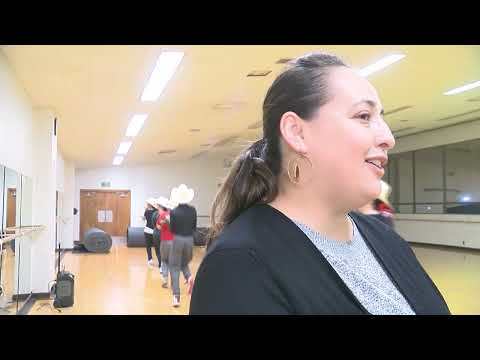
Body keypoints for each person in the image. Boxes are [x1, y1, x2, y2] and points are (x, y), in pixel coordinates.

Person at [189, 52, 450, 315]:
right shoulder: (239, 266)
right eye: (363, 116)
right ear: (297, 132)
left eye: (381, 117)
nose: (388, 137)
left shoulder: (386, 239)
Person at [168, 184, 197, 308]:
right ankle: (189, 277)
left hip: (178, 239)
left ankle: (176, 297)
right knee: (184, 263)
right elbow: (194, 227)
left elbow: (172, 229)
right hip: (190, 240)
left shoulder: (174, 212)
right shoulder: (193, 210)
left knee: (174, 267)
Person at [155, 196, 175, 289]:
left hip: (165, 241)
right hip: (174, 241)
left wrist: (163, 224)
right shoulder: (174, 214)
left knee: (164, 261)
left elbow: (158, 227)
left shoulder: (162, 215)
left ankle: (165, 280)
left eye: (158, 207)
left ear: (161, 206)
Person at [143, 198, 160, 268]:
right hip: (155, 231)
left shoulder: (146, 212)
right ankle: (160, 261)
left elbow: (144, 219)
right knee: (157, 246)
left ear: (149, 204)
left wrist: (145, 209)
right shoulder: (157, 212)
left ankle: (150, 259)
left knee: (148, 246)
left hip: (147, 230)